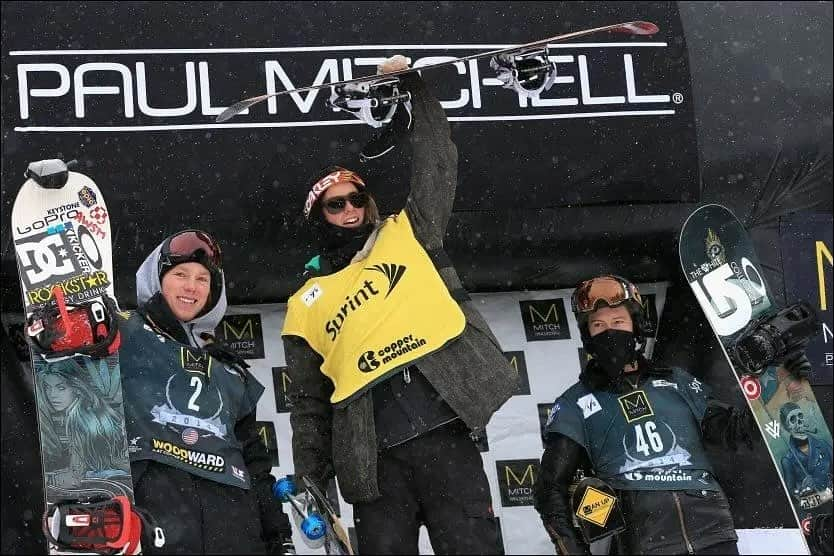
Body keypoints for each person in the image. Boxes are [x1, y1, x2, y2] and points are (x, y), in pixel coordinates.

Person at [281, 56, 518, 554]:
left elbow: (438, 160)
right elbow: (307, 402)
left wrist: (413, 87)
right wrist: (313, 478)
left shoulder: (407, 233)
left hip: (445, 432)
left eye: (356, 198)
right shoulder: (305, 302)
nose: (349, 209)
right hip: (374, 460)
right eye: (335, 204)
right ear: (317, 217)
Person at [534, 274, 772, 555]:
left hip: (712, 533)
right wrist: (572, 548)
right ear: (588, 335)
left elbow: (736, 430)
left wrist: (777, 378)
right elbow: (549, 489)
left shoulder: (677, 382)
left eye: (618, 322)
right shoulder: (575, 403)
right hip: (644, 541)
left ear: (635, 326)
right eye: (599, 325)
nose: (609, 331)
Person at [115, 229, 293, 554]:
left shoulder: (228, 367)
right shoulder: (122, 331)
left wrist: (279, 537)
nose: (191, 287)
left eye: (202, 279)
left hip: (234, 523)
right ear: (158, 278)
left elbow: (256, 463)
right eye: (180, 274)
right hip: (154, 514)